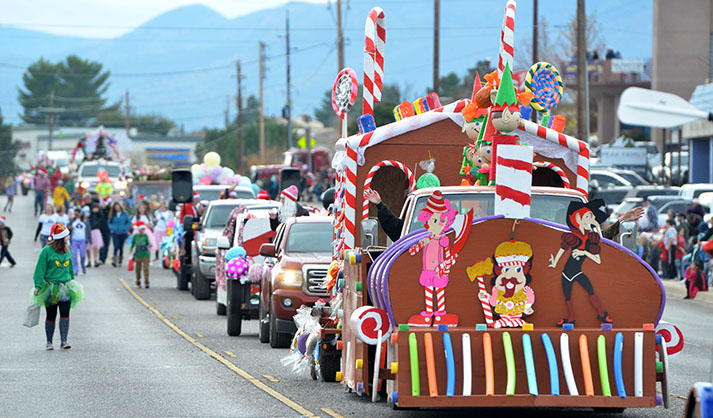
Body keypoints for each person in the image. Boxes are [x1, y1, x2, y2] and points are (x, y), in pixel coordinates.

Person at [32, 223, 84, 350]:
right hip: (51, 288)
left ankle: (64, 341)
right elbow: (40, 270)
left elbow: (70, 268)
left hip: (66, 287)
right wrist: (38, 286)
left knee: (65, 314)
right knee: (51, 315)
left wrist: (72, 282)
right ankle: (49, 342)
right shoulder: (46, 251)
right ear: (61, 238)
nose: (68, 238)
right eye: (67, 236)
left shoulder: (67, 250)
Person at [108, 201, 131, 267]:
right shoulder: (113, 214)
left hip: (123, 232)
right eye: (115, 207)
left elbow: (128, 222)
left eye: (118, 206)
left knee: (121, 247)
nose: (117, 208)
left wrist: (125, 228)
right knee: (116, 246)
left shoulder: (125, 213)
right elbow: (109, 222)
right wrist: (112, 228)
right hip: (115, 232)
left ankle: (120, 259)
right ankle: (115, 259)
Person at [130, 221, 151, 288]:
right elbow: (133, 244)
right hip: (138, 254)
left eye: (143, 229)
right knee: (138, 269)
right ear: (138, 229)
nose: (142, 231)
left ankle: (146, 281)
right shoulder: (135, 236)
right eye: (141, 229)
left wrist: (149, 244)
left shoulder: (145, 236)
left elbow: (147, 243)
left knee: (146, 268)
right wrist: (131, 250)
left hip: (145, 253)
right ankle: (138, 281)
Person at [70, 209, 89, 275]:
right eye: (75, 214)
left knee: (82, 255)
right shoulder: (72, 221)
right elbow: (68, 228)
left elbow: (88, 230)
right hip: (74, 240)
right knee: (74, 256)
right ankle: (75, 270)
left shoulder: (85, 221)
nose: (77, 215)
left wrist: (89, 239)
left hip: (82, 240)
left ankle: (83, 266)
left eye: (78, 214)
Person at [87, 203, 104, 268]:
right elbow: (86, 217)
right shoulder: (89, 212)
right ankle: (89, 260)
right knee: (88, 246)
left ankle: (95, 260)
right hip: (89, 229)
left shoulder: (98, 212)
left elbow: (101, 217)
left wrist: (98, 211)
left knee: (96, 246)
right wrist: (92, 212)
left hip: (96, 229)